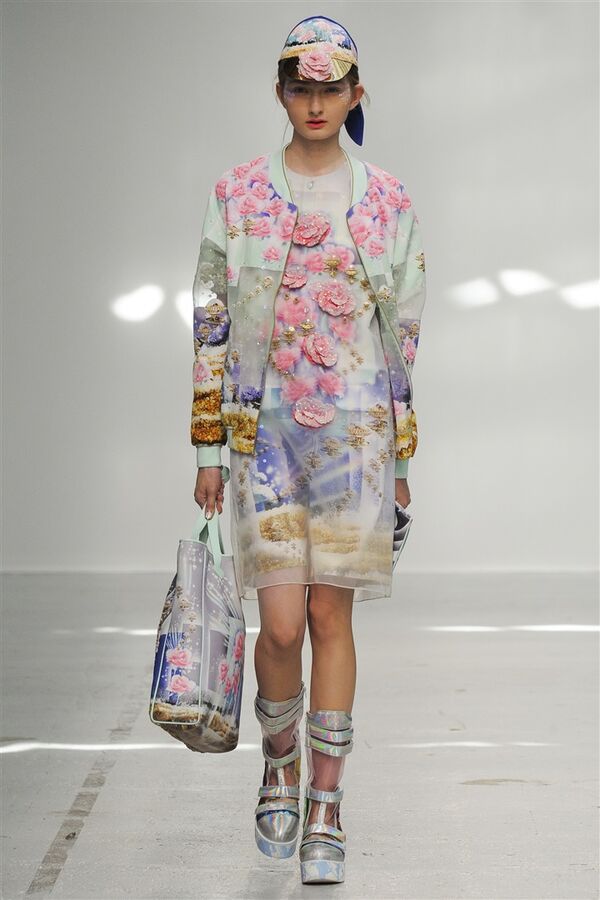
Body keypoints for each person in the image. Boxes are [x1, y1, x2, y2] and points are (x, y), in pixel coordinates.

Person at [190, 14, 426, 885]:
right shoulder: (238, 196)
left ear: (356, 94)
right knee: (281, 624)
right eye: (301, 87)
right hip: (263, 441)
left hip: (357, 441)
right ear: (280, 93)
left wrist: (402, 461)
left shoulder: (388, 200)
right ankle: (278, 758)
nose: (316, 102)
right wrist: (207, 445)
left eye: (331, 89)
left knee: (332, 618)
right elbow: (211, 319)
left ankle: (325, 802)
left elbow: (403, 336)